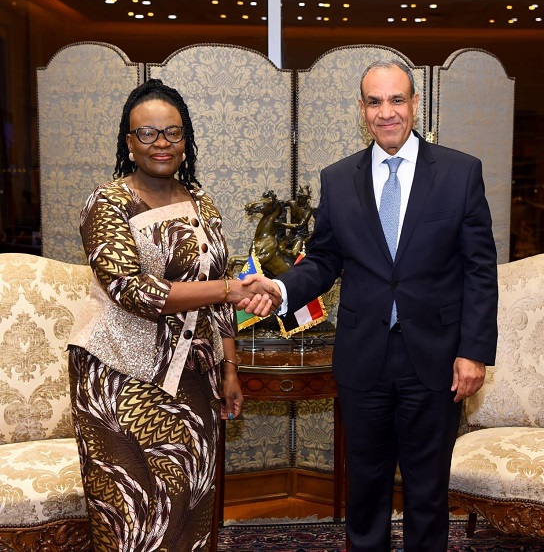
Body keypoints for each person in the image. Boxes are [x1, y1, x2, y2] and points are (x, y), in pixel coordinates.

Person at [240, 59, 498, 551]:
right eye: (375, 102)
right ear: (361, 109)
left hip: (437, 358)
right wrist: (279, 289)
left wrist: (474, 351)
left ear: (415, 104)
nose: (387, 112)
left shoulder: (461, 172)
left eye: (397, 99)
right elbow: (324, 260)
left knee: (427, 493)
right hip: (364, 359)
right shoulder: (338, 179)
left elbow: (480, 270)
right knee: (365, 491)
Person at [67, 79, 276, 551]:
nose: (160, 143)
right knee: (134, 516)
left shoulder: (202, 202)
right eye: (147, 133)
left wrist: (230, 369)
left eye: (172, 132)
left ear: (186, 140)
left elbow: (220, 289)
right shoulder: (107, 203)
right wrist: (227, 288)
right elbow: (132, 290)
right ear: (129, 142)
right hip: (119, 380)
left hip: (194, 376)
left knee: (189, 505)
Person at [277, 185, 314, 260]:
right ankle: (290, 263)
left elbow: (299, 225)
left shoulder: (307, 211)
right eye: (301, 197)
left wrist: (282, 224)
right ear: (298, 197)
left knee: (294, 253)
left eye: (305, 198)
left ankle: (304, 264)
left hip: (301, 235)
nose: (303, 200)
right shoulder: (292, 203)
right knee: (280, 248)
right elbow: (280, 205)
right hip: (291, 235)